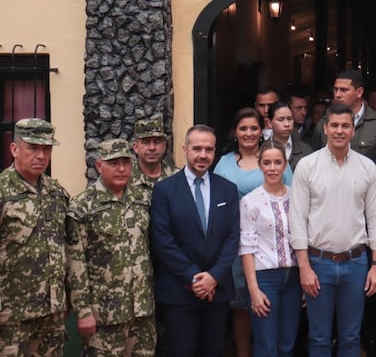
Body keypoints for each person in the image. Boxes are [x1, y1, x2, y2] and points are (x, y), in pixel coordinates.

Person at [289, 103, 376, 357]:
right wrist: (304, 268)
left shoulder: (367, 167)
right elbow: (297, 218)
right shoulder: (307, 166)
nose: (340, 131)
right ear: (325, 128)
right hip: (318, 262)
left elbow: (375, 217)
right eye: (334, 125)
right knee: (320, 338)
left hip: (356, 263)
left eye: (345, 126)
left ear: (353, 130)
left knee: (351, 336)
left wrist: (375, 264)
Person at [150, 125, 240, 357]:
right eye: (197, 148)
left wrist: (213, 277)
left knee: (213, 352)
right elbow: (162, 239)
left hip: (217, 291)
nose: (203, 155)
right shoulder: (164, 190)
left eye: (208, 149)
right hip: (179, 292)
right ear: (185, 149)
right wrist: (193, 277)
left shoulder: (227, 190)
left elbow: (232, 237)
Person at [214, 108, 293, 357]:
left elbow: (290, 204)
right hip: (234, 245)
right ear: (235, 132)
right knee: (240, 306)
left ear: (262, 131)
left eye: (253, 128)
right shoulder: (224, 161)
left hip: (268, 249)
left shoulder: (273, 158)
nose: (248, 133)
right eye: (243, 128)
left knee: (270, 317)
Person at [66, 139, 155, 356]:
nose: (122, 169)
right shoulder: (83, 206)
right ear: (99, 166)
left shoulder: (143, 199)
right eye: (114, 163)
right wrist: (84, 311)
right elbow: (75, 263)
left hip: (142, 312)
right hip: (104, 316)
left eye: (126, 162)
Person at [0, 118, 69, 356]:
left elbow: (67, 246)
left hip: (53, 312)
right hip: (12, 315)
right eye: (33, 147)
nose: (41, 155)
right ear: (14, 149)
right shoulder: (2, 191)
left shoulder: (56, 192)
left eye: (47, 148)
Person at [240, 141, 302, 357]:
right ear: (260, 165)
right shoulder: (250, 201)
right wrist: (253, 289)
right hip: (265, 278)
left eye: (277, 162)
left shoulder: (298, 197)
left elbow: (305, 238)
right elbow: (246, 248)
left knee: (287, 342)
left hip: (294, 277)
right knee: (266, 344)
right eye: (267, 163)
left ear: (285, 165)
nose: (272, 168)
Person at [312, 69, 376, 168]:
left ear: (359, 92)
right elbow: (315, 162)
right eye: (336, 90)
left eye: (344, 90)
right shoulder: (323, 124)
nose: (337, 95)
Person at [131, 115, 177, 192]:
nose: (152, 148)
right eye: (145, 142)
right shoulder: (124, 179)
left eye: (157, 141)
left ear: (164, 146)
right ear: (135, 147)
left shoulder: (178, 178)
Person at [268, 101, 313, 171]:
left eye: (289, 119)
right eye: (281, 119)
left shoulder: (306, 150)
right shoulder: (260, 148)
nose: (286, 124)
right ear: (270, 123)